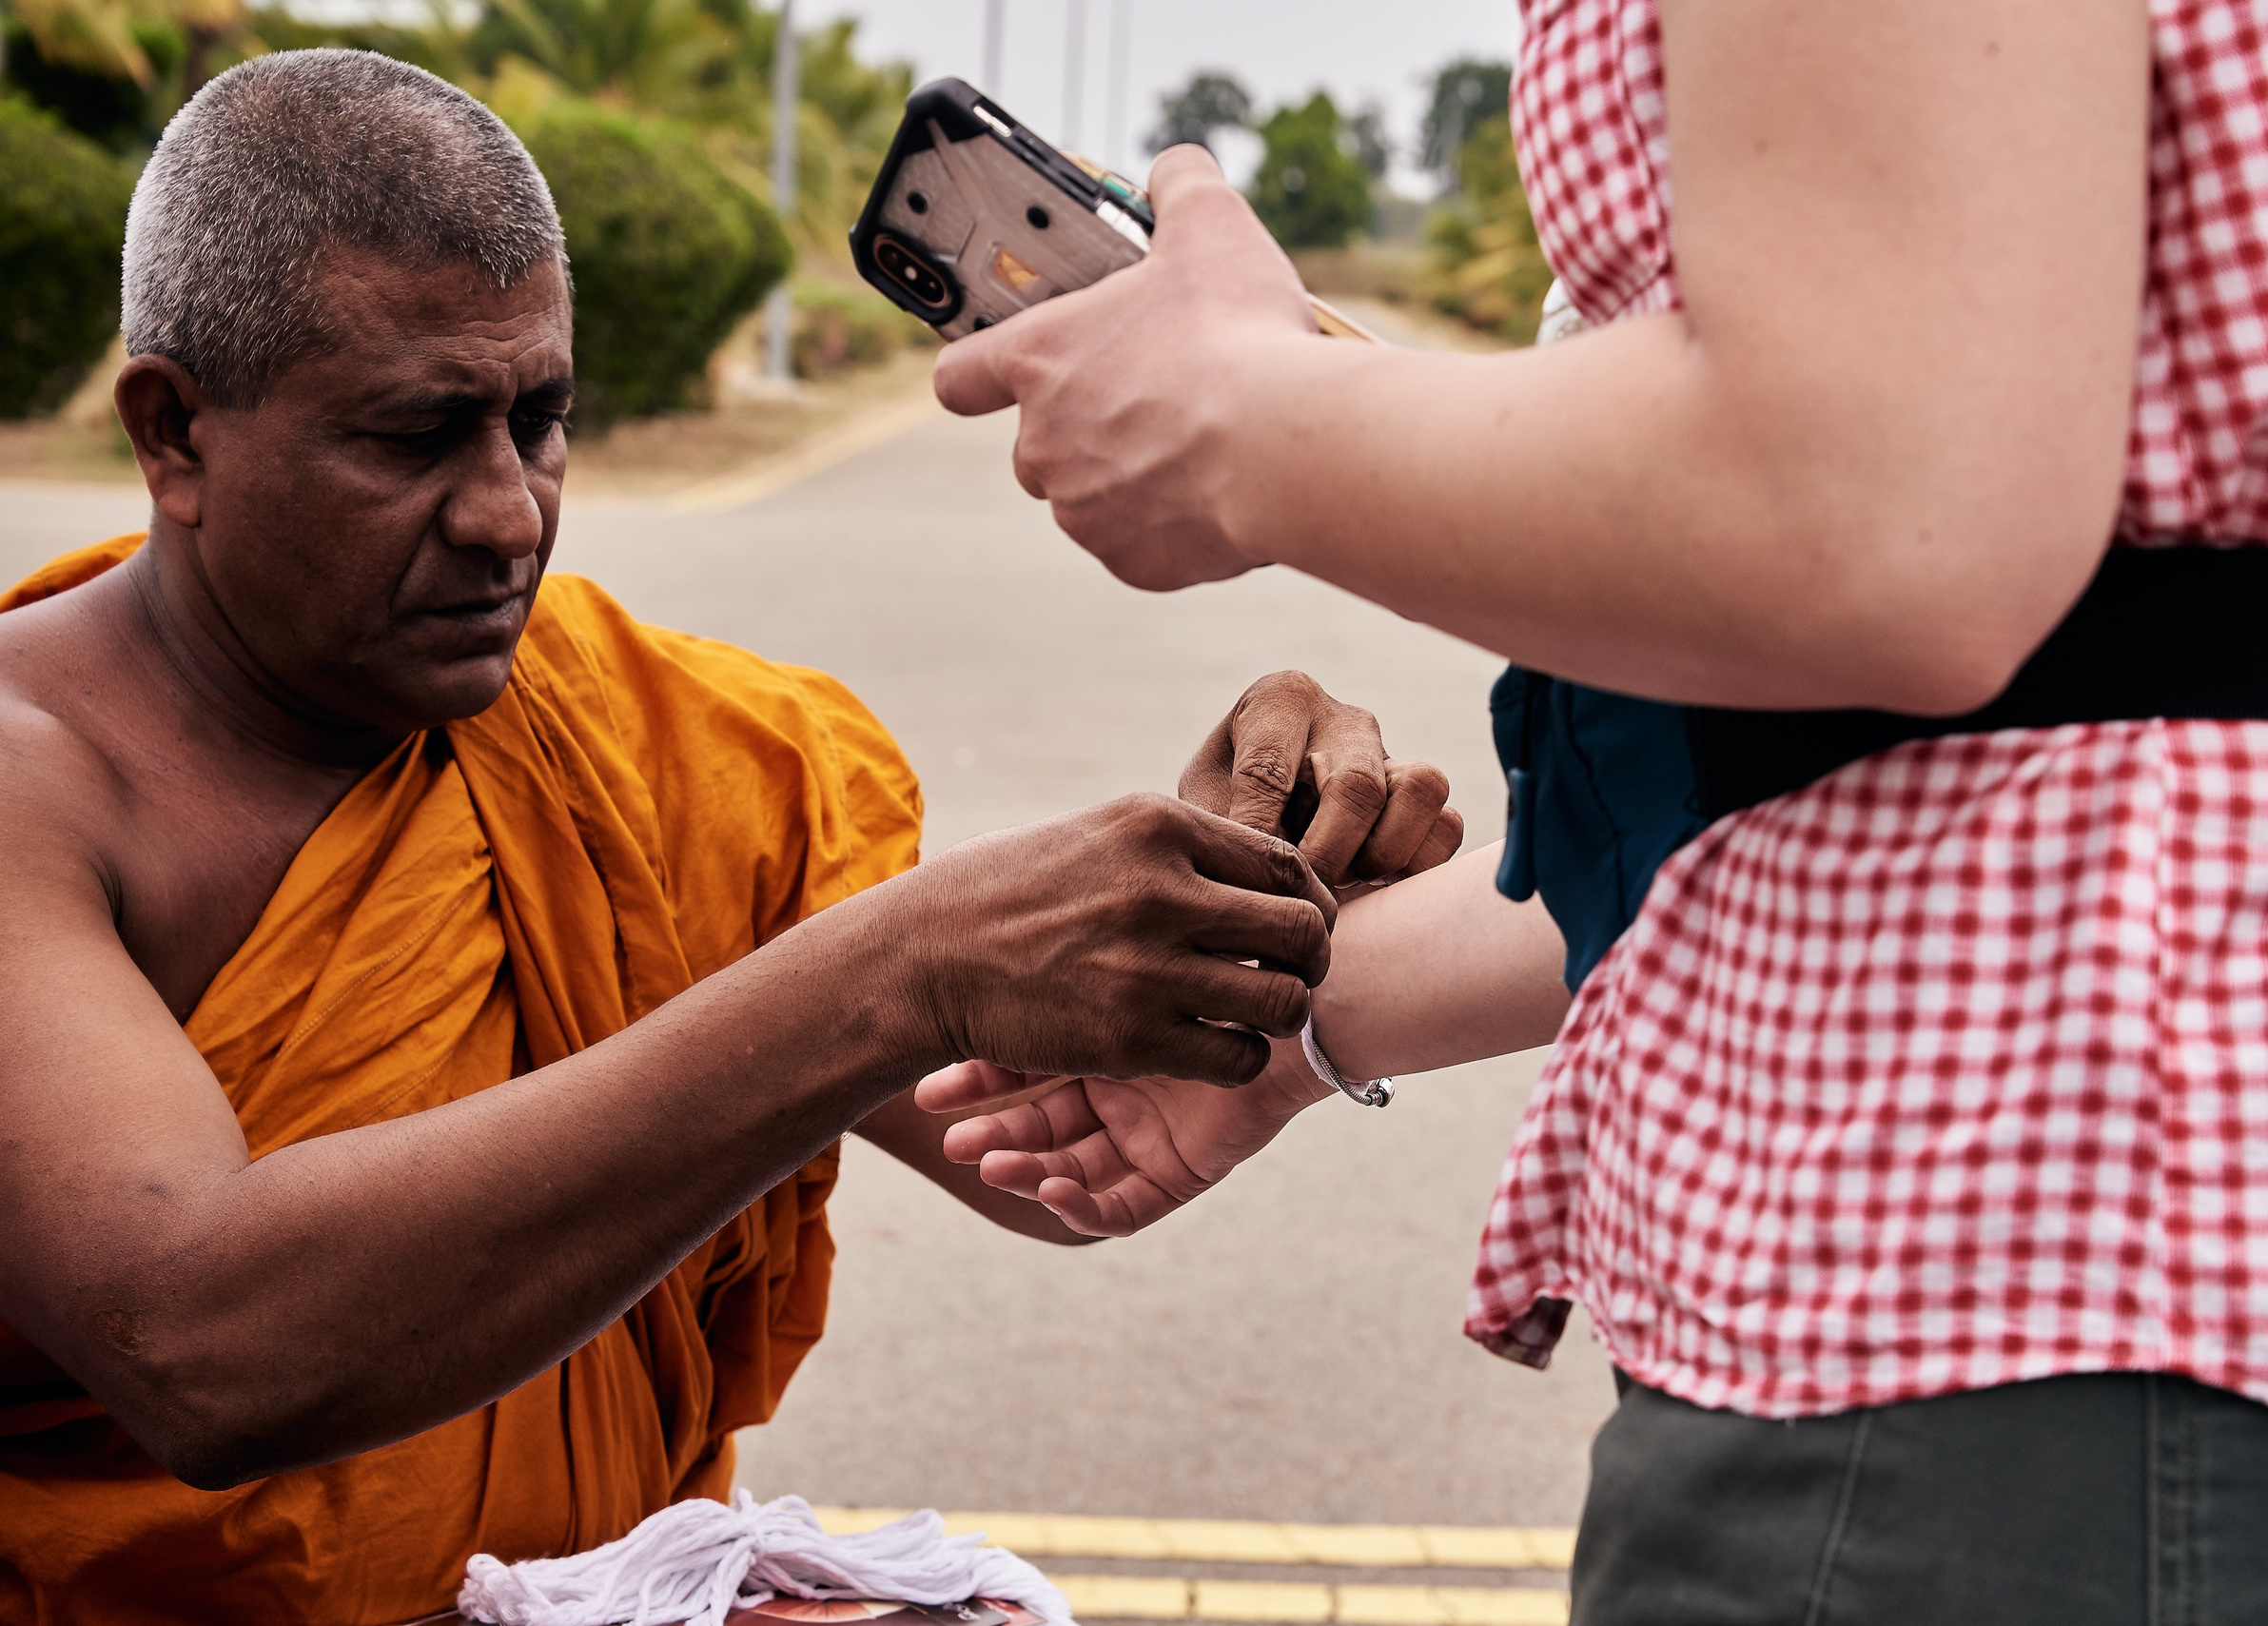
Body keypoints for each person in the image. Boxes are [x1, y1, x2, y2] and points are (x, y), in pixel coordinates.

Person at [922, 0, 2268, 1615]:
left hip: (2053, 1279)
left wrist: (1237, 421)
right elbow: (1948, 742)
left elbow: (1876, 517)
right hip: (2251, 1264)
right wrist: (1291, 1013)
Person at [0, 49, 1454, 1621]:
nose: (509, 515)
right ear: (174, 436)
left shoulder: (626, 742)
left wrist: (1221, 926)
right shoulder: (35, 790)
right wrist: (901, 968)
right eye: (416, 437)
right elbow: (203, 1344)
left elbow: (1031, 1142)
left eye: (540, 419)